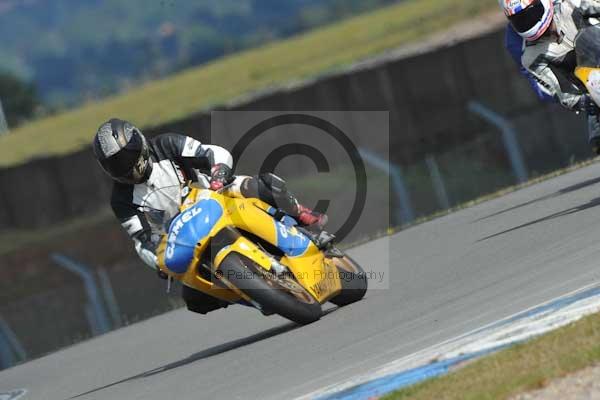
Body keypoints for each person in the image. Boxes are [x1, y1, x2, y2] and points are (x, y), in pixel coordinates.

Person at [92, 118, 329, 314]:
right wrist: (159, 261)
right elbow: (141, 239)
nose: (122, 165)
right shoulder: (121, 200)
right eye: (114, 163)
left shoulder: (166, 145)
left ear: (139, 142)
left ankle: (301, 218)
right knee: (195, 301)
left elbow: (210, 153)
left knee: (261, 186)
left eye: (125, 155)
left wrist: (219, 172)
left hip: (215, 194)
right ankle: (252, 292)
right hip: (187, 240)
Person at [501, 0, 600, 153]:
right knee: (598, 141)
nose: (528, 21)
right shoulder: (530, 56)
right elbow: (555, 90)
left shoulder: (571, 5)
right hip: (588, 86)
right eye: (520, 20)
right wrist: (582, 102)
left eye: (532, 13)